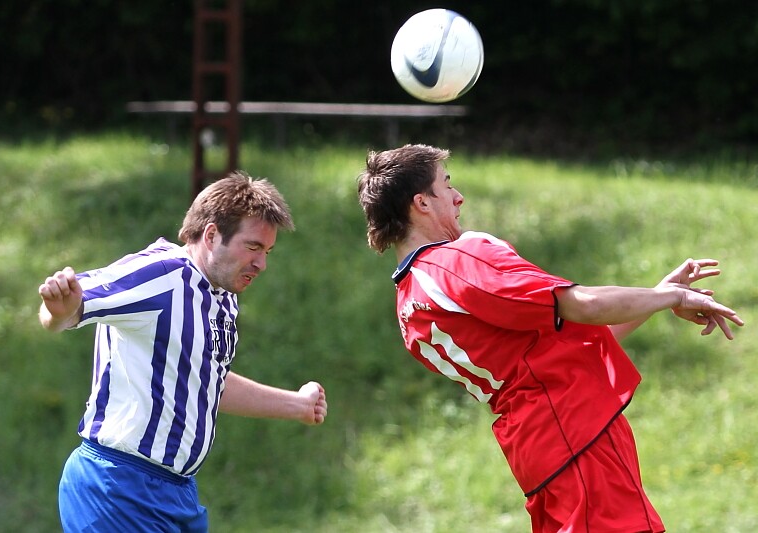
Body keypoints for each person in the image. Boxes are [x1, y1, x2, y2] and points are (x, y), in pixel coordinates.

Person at [356, 144, 743, 533]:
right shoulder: (456, 261)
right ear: (422, 203)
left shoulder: (409, 303)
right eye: (447, 185)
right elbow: (584, 305)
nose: (459, 197)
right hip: (578, 435)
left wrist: (655, 296)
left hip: (540, 452)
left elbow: (577, 339)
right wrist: (672, 297)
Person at [39, 171, 328, 532]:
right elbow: (66, 309)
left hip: (177, 494)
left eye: (267, 252)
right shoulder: (159, 274)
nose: (262, 264)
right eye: (253, 247)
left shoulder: (223, 297)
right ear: (212, 235)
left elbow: (203, 381)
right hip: (117, 486)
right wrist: (58, 311)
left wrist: (296, 405)